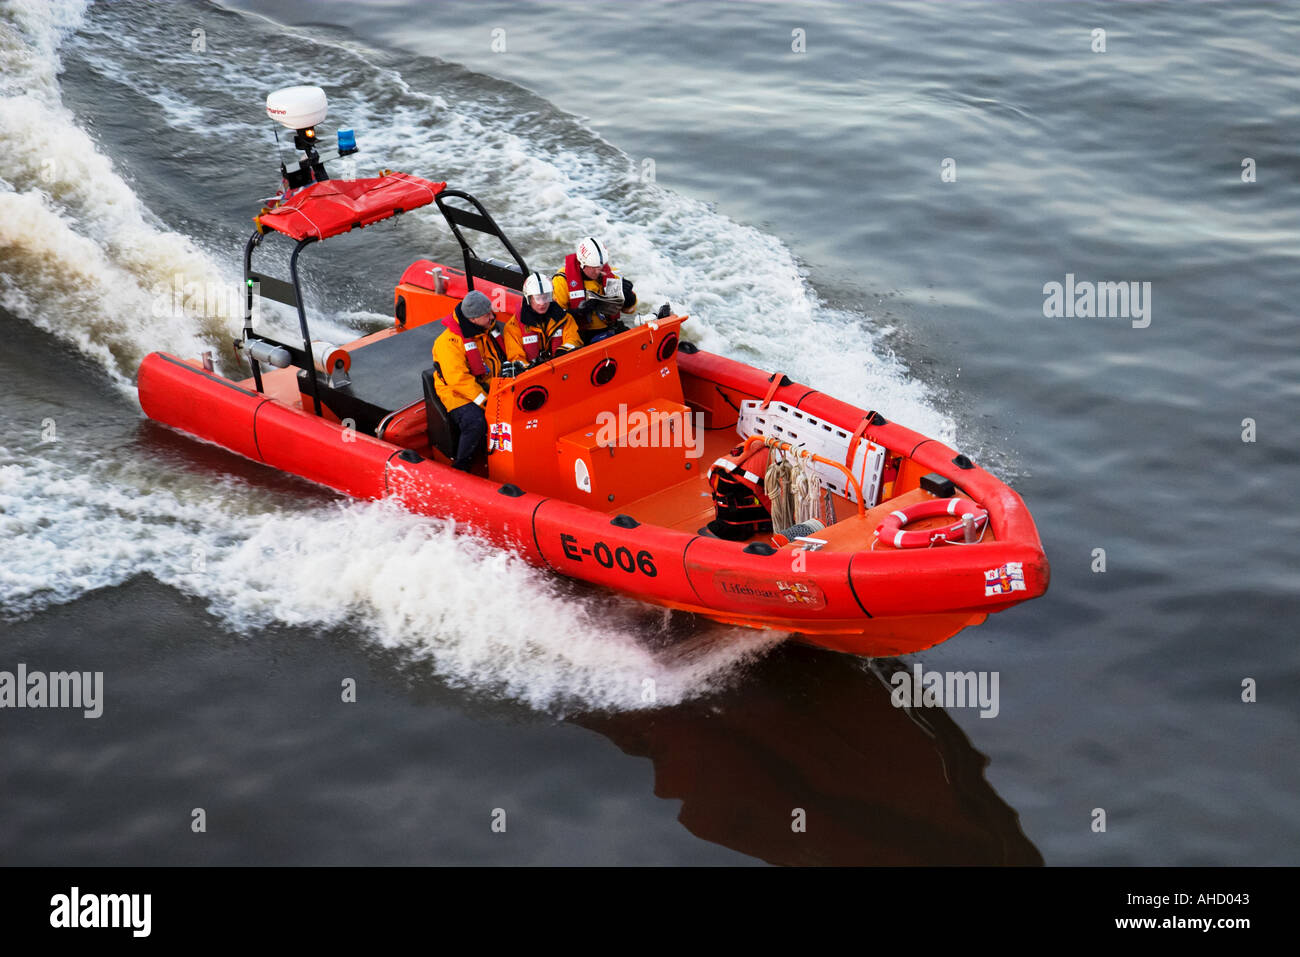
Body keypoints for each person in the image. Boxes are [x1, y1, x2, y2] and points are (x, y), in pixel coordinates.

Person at [431, 289, 527, 471]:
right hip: (458, 394)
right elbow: (458, 380)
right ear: (473, 319)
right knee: (476, 422)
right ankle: (461, 466)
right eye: (487, 315)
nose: (492, 317)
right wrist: (485, 401)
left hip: (490, 385)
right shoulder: (448, 343)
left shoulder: (487, 330)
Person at [552, 236, 637, 344]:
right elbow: (553, 319)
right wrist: (577, 312)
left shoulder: (613, 275)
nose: (598, 271)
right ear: (582, 264)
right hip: (578, 335)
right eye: (594, 267)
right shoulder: (562, 281)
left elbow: (630, 310)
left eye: (601, 266)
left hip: (609, 330)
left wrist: (629, 297)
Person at [507, 271, 582, 361]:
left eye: (546, 297)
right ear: (529, 299)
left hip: (561, 366)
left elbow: (574, 340)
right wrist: (529, 366)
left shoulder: (565, 319)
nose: (542, 303)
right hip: (534, 372)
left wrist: (563, 351)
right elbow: (515, 357)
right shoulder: (513, 326)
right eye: (538, 298)